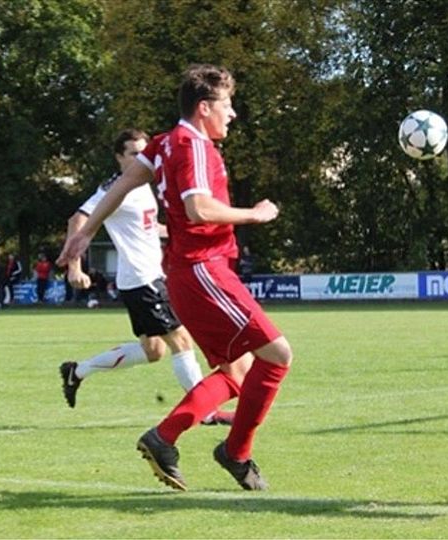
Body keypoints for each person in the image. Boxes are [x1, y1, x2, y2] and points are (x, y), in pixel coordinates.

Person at [58, 69, 291, 493]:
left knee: (237, 371)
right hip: (204, 269)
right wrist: (254, 214)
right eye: (226, 105)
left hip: (185, 275)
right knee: (277, 355)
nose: (232, 114)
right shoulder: (193, 146)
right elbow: (200, 208)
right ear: (205, 108)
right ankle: (207, 445)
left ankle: (192, 445)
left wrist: (87, 231)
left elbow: (124, 184)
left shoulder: (164, 143)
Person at [58, 128, 242, 427]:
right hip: (143, 279)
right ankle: (205, 412)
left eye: (144, 153)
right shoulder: (115, 188)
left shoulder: (144, 186)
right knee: (181, 340)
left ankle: (77, 371)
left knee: (154, 350)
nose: (141, 158)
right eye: (133, 153)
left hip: (148, 278)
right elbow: (77, 219)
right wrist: (74, 267)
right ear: (119, 157)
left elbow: (148, 227)